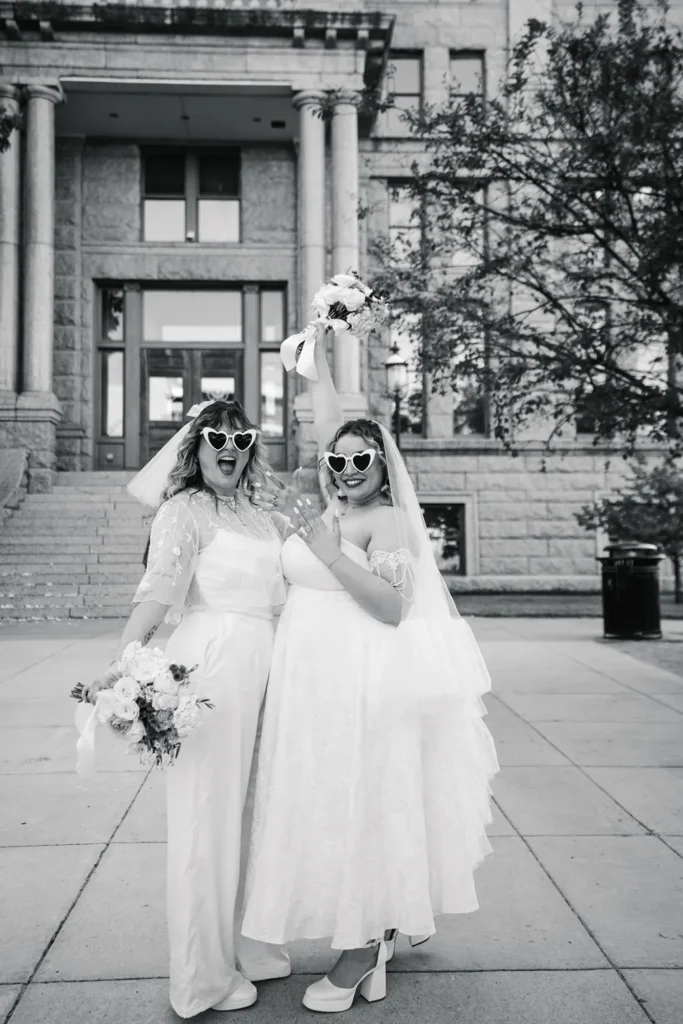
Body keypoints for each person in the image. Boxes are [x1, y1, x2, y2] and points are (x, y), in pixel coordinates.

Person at [242, 332, 499, 1012]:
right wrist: (318, 357)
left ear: (384, 471)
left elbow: (391, 606)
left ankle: (359, 952)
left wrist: (329, 553)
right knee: (323, 804)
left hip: (360, 681)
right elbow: (329, 417)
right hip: (310, 684)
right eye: (338, 458)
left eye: (362, 459)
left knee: (359, 804)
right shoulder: (327, 509)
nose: (348, 465)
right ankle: (373, 934)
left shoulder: (383, 520)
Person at [82, 399, 291, 1017]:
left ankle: (247, 947)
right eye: (215, 440)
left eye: (241, 439)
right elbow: (158, 592)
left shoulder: (262, 514)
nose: (229, 450)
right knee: (208, 816)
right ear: (195, 450)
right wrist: (124, 661)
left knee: (256, 815)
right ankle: (203, 975)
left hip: (269, 663)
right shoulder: (182, 510)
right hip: (213, 666)